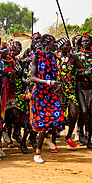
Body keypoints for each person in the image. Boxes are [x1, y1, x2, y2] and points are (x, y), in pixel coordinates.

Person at [28, 34, 65, 163]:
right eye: (54, 43)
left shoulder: (54, 56)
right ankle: (37, 154)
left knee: (59, 117)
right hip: (40, 93)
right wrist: (48, 82)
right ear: (47, 43)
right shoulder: (37, 56)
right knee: (43, 124)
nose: (56, 45)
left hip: (51, 93)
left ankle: (48, 137)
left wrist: (56, 83)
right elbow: (32, 78)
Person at [56, 38, 84, 148]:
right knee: (57, 113)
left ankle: (68, 136)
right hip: (58, 89)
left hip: (70, 89)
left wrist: (88, 71)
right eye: (67, 45)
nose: (69, 47)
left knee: (74, 112)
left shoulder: (74, 58)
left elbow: (82, 70)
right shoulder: (55, 57)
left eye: (69, 45)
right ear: (61, 47)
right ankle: (52, 139)